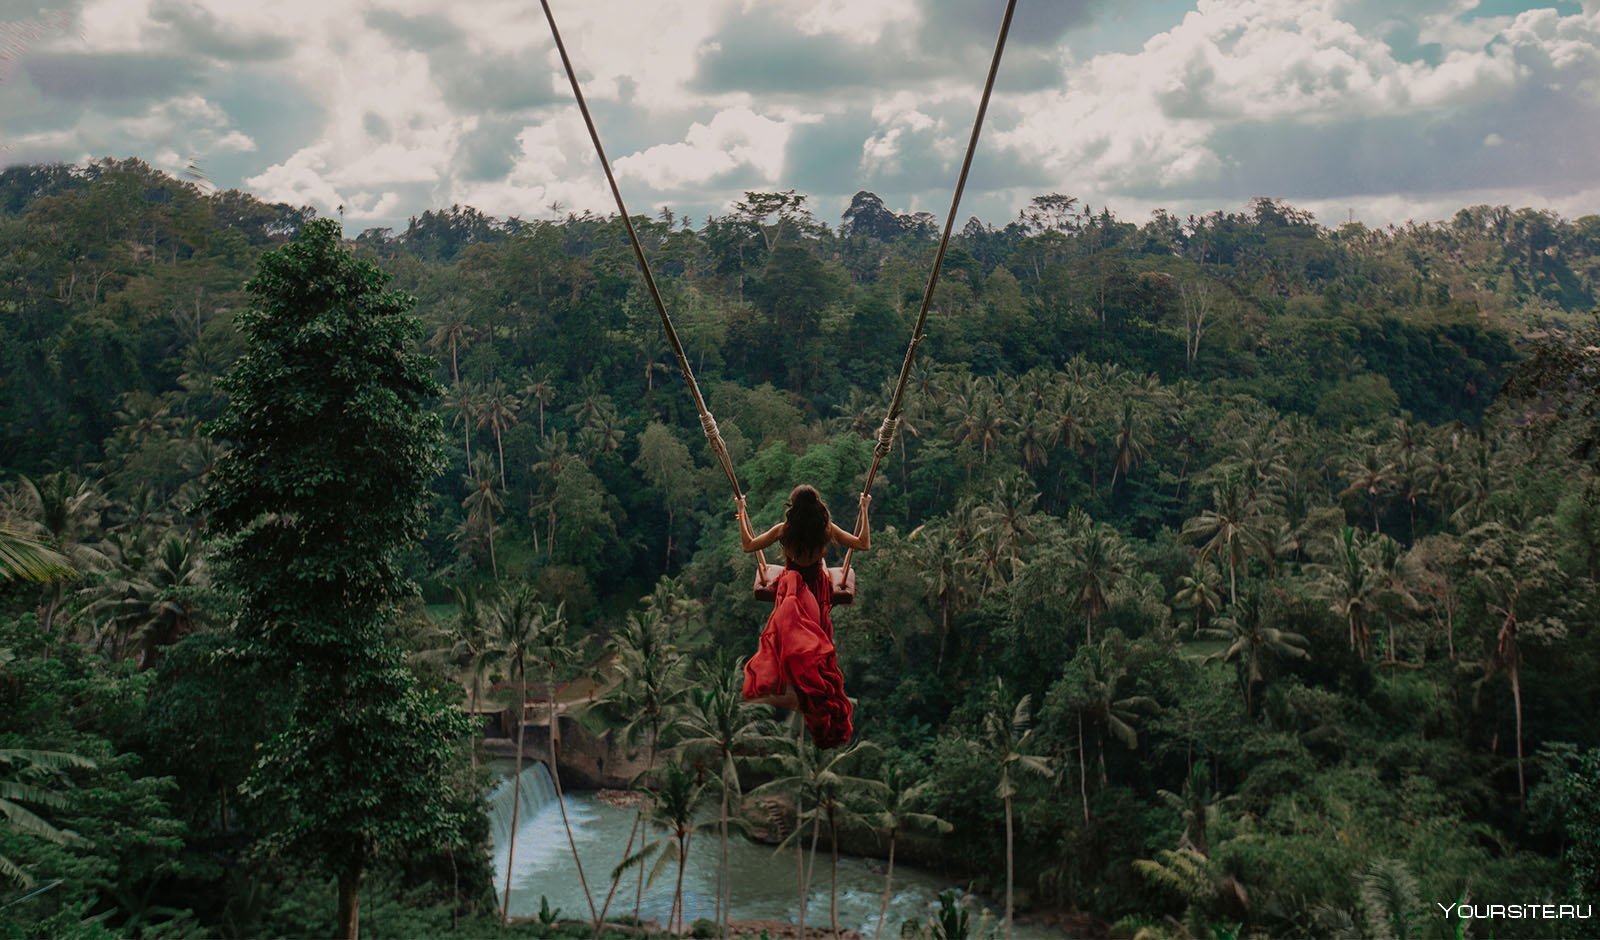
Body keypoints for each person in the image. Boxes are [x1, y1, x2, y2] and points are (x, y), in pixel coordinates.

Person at [734, 485, 870, 748]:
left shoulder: (784, 530)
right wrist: (864, 509)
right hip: (817, 594)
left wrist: (741, 513)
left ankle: (797, 685)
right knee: (815, 650)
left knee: (794, 641)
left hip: (791, 592)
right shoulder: (826, 529)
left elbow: (748, 545)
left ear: (792, 508)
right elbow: (863, 544)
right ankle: (810, 692)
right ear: (818, 505)